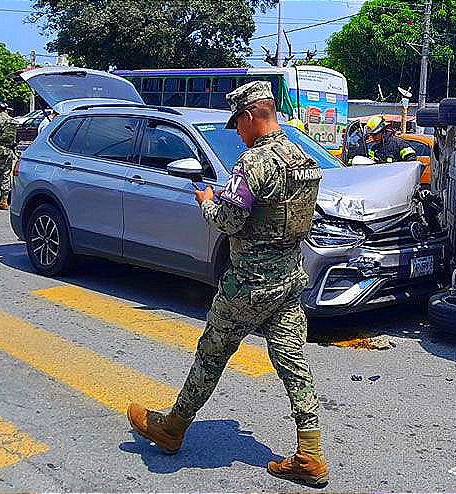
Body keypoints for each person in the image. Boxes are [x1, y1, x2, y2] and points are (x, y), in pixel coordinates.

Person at [127, 81, 328, 487]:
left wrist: (205, 201)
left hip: (249, 284)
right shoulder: (303, 157)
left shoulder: (253, 164)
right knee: (293, 362)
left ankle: (172, 428)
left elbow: (228, 220)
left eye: (237, 122)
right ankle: (310, 453)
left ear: (252, 116)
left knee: (211, 355)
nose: (236, 130)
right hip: (289, 277)